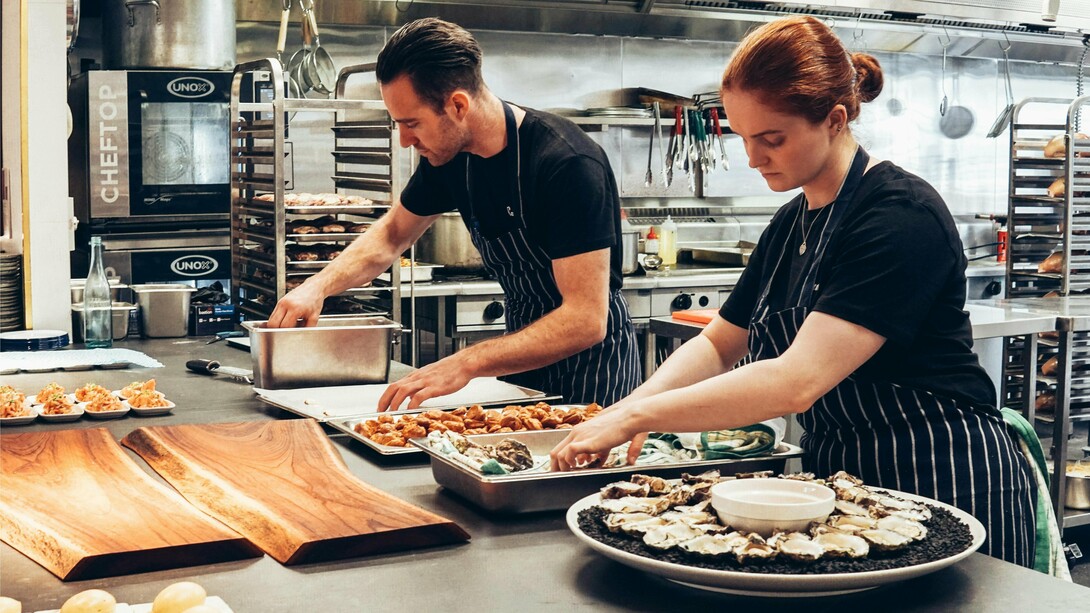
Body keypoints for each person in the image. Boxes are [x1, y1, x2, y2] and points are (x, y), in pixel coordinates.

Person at [549, 15, 1036, 566]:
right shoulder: (790, 223)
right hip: (845, 485)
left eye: (771, 139)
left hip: (944, 471)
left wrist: (640, 418)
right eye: (743, 138)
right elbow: (717, 345)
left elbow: (795, 381)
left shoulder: (900, 216)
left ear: (833, 119)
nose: (754, 158)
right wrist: (628, 408)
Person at [267, 18, 641, 411]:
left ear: (458, 105)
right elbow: (393, 234)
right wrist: (316, 287)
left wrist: (466, 362)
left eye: (412, 124)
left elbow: (585, 319)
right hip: (520, 362)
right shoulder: (450, 158)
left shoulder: (566, 163)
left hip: (594, 377)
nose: (405, 140)